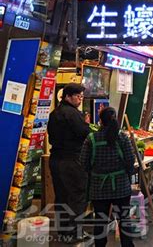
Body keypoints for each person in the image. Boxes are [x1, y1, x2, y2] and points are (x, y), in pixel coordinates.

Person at [80, 107, 135, 247]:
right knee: (124, 218)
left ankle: (100, 245)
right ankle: (127, 245)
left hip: (99, 187)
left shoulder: (91, 138)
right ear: (115, 118)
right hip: (121, 186)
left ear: (100, 121)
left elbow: (83, 162)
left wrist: (95, 172)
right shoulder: (122, 137)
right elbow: (130, 160)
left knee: (100, 220)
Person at [47, 83, 90, 241]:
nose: (80, 99)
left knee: (61, 196)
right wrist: (86, 123)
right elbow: (84, 133)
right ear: (67, 96)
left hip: (55, 159)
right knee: (77, 195)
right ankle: (74, 233)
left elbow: (51, 137)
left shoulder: (54, 113)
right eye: (78, 96)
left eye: (81, 96)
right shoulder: (72, 113)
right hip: (72, 160)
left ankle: (63, 232)